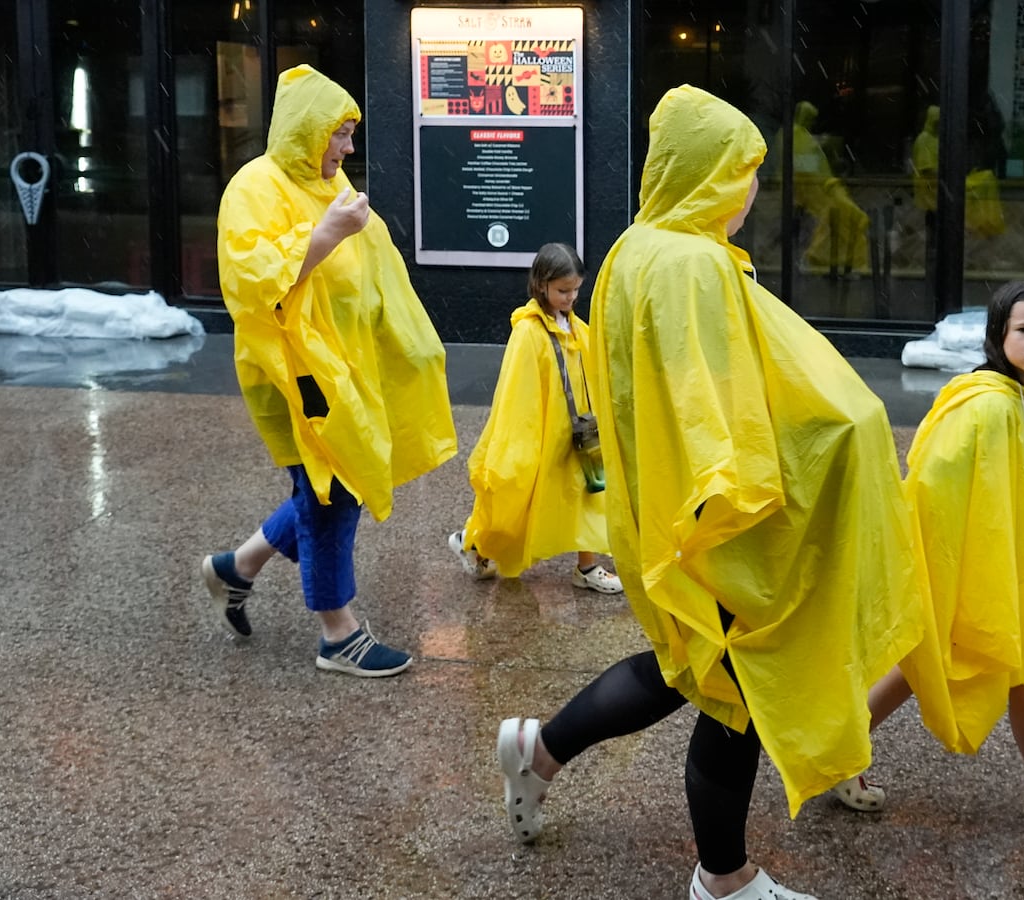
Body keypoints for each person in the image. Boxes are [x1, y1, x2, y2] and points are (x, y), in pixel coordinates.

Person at [495, 85, 929, 900]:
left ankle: (537, 749)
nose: (753, 187)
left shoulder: (639, 247)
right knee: (734, 696)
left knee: (684, 668)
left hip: (662, 507)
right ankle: (722, 880)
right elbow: (710, 406)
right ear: (705, 173)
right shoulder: (691, 263)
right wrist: (742, 502)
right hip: (712, 517)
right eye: (743, 169)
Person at [832, 280, 1024, 835]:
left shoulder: (1014, 396)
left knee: (939, 661)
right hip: (982, 568)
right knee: (1001, 664)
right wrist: (971, 570)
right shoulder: (990, 405)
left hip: (1003, 566)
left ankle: (837, 753)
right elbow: (936, 482)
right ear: (999, 336)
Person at [199, 64, 457, 677]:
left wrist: (410, 350)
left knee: (335, 477)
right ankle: (337, 632)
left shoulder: (328, 189)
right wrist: (327, 235)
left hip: (345, 370)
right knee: (329, 493)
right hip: (290, 373)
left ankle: (237, 568)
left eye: (348, 136)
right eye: (338, 134)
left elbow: (374, 282)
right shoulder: (254, 187)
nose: (346, 148)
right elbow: (252, 282)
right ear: (304, 130)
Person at [447, 242, 623, 594]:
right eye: (563, 291)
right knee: (516, 497)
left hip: (574, 434)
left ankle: (587, 566)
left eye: (575, 290)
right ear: (541, 284)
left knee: (587, 493)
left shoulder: (574, 327)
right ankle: (473, 541)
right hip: (540, 436)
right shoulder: (529, 332)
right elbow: (518, 392)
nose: (571, 297)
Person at [784, 100, 871, 277]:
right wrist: (820, 147)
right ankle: (824, 259)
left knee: (842, 221)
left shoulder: (803, 135)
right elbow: (799, 164)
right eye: (809, 118)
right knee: (840, 220)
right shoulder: (794, 134)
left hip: (825, 187)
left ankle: (841, 261)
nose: (811, 123)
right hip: (816, 190)